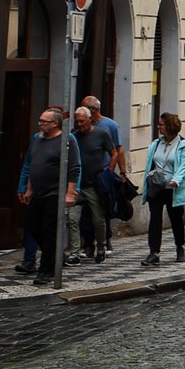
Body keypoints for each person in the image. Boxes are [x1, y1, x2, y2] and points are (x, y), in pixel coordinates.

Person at [14, 108, 78, 286]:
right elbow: (32, 164)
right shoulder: (37, 139)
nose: (40, 124)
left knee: (49, 230)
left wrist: (70, 193)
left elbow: (74, 168)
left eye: (44, 121)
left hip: (55, 193)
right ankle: (56, 254)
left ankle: (46, 270)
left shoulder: (67, 140)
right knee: (33, 227)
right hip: (37, 192)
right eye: (40, 121)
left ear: (55, 124)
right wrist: (28, 188)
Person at [141, 111, 185, 266]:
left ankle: (180, 247)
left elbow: (184, 165)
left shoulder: (182, 145)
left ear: (170, 126)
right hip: (157, 188)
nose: (158, 127)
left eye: (161, 124)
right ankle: (154, 253)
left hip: (173, 189)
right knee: (155, 219)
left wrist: (176, 180)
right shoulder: (156, 144)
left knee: (176, 219)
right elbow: (151, 163)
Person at [69, 104, 115, 262]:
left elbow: (114, 153)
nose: (79, 124)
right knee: (73, 219)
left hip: (94, 183)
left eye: (82, 121)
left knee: (98, 218)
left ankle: (101, 246)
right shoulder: (73, 136)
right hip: (76, 184)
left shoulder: (102, 134)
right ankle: (75, 252)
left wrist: (108, 173)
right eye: (77, 121)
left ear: (90, 120)